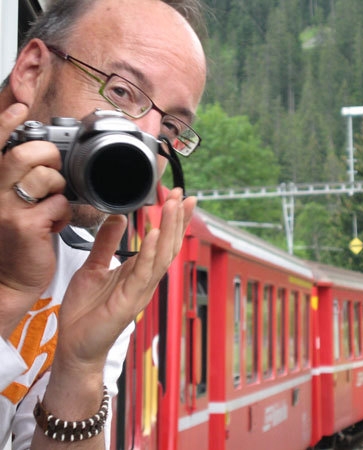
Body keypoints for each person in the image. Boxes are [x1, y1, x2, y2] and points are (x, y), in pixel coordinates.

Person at [0, 0, 207, 448]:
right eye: (121, 92)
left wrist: (80, 367)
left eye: (170, 128)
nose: (147, 138)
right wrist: (9, 293)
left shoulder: (84, 270)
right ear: (33, 70)